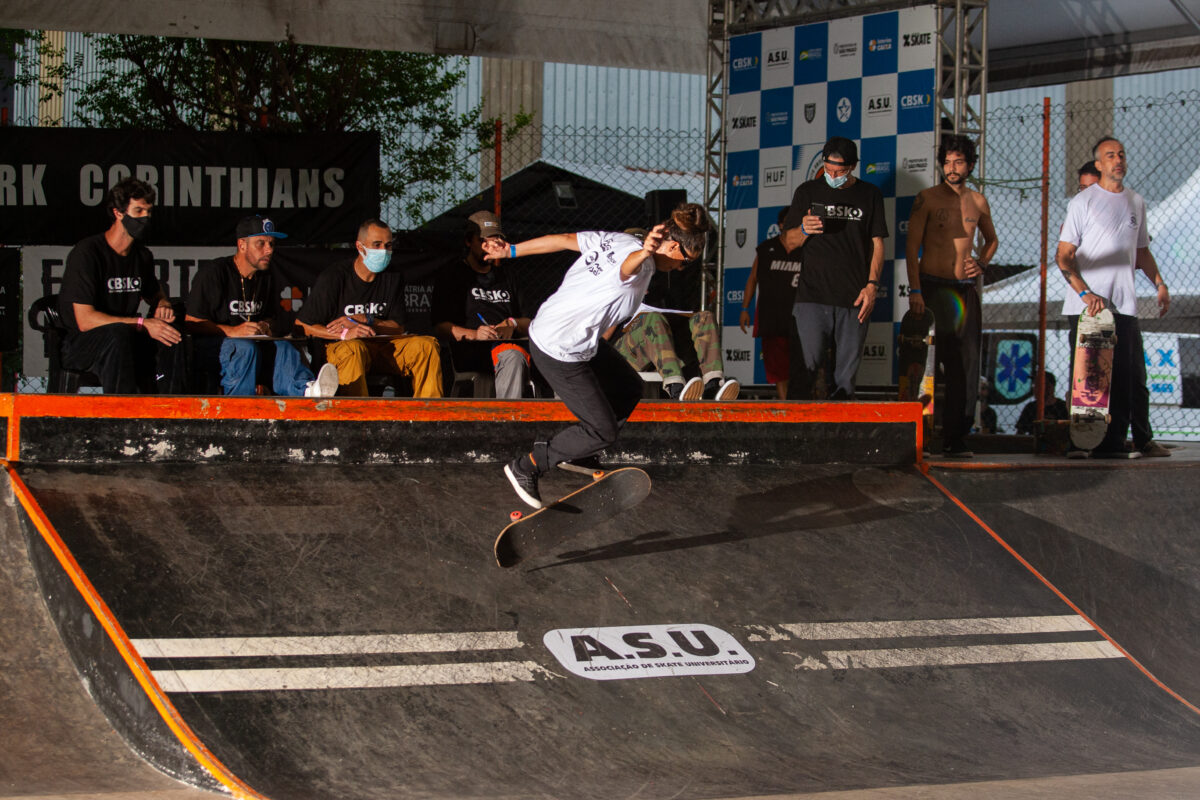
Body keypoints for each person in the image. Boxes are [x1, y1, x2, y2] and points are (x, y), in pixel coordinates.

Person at [490, 204, 711, 508]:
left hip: (570, 337)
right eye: (685, 261)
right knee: (602, 429)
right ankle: (527, 465)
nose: (681, 269)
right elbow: (627, 268)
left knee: (628, 386)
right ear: (672, 246)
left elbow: (564, 239)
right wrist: (645, 253)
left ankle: (579, 453)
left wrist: (511, 251)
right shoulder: (640, 263)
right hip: (559, 349)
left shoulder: (617, 240)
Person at [1055, 136, 1171, 458]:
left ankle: (1113, 445)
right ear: (1098, 164)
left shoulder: (1136, 201)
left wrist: (1159, 283)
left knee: (1125, 377)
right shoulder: (1083, 202)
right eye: (1110, 155)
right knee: (1088, 379)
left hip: (1125, 305)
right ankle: (1079, 443)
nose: (1117, 160)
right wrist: (1084, 291)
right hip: (1088, 307)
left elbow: (1142, 250)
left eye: (1121, 154)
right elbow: (1063, 256)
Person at [904, 134, 998, 457]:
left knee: (965, 367)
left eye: (958, 161)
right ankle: (920, 436)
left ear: (970, 165)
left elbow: (992, 240)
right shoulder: (927, 198)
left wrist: (981, 262)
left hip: (964, 291)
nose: (951, 167)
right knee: (926, 364)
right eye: (946, 161)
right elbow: (910, 247)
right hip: (931, 288)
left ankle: (955, 438)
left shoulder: (978, 201)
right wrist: (915, 290)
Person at [781, 137, 887, 399]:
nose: (832, 175)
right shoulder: (807, 192)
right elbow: (787, 242)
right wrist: (804, 229)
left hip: (853, 297)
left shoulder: (870, 194)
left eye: (839, 171)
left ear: (852, 167)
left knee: (844, 381)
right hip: (812, 297)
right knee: (805, 370)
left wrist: (872, 286)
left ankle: (839, 438)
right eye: (828, 169)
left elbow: (877, 244)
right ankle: (798, 436)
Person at [185, 215, 338, 398]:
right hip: (214, 348)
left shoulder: (265, 277)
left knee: (283, 346)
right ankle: (239, 407)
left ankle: (306, 390)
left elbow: (271, 317)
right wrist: (231, 331)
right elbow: (192, 322)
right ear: (242, 245)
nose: (269, 250)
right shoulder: (214, 273)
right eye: (261, 244)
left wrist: (266, 326)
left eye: (271, 244)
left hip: (251, 346)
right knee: (244, 348)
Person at [57, 177, 185, 393]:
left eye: (149, 212)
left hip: (126, 335)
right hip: (83, 343)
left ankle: (170, 411)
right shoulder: (88, 253)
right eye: (138, 212)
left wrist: (163, 303)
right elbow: (85, 320)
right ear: (118, 213)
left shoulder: (141, 255)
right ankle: (122, 418)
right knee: (118, 334)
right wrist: (142, 324)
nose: (145, 218)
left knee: (173, 330)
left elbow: (155, 293)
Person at [297, 218, 443, 397]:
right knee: (354, 348)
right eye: (377, 244)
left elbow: (399, 327)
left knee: (426, 346)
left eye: (388, 245)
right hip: (342, 348)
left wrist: (367, 320)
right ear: (360, 247)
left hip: (380, 347)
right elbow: (302, 325)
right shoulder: (335, 277)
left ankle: (429, 417)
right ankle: (360, 420)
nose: (383, 251)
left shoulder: (393, 277)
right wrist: (345, 334)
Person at [432, 211, 531, 398]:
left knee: (554, 353)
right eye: (483, 241)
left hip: (510, 344)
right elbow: (440, 327)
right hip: (472, 350)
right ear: (469, 241)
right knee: (513, 357)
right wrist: (475, 334)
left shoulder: (508, 276)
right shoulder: (452, 275)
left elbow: (530, 322)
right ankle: (507, 424)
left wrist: (512, 324)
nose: (489, 247)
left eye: (495, 242)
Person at [739, 209, 799, 399]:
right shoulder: (766, 248)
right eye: (788, 221)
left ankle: (803, 408)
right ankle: (786, 408)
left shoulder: (807, 249)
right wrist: (744, 308)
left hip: (800, 317)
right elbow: (752, 278)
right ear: (780, 225)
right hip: (771, 317)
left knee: (801, 367)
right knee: (778, 370)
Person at [1016, 371, 1068, 435]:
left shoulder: (1063, 407)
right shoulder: (1031, 407)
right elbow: (1020, 433)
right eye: (1035, 385)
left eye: (1038, 385)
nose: (1034, 388)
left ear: (1050, 387)